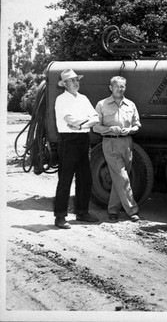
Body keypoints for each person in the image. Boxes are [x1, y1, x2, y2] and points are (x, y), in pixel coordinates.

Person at [53, 69, 100, 229]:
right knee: (65, 179)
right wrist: (84, 122)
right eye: (71, 81)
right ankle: (60, 217)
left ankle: (82, 212)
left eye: (76, 80)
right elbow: (69, 121)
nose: (75, 83)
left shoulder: (84, 98)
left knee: (85, 178)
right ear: (64, 84)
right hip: (68, 140)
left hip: (83, 139)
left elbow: (95, 117)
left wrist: (81, 124)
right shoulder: (61, 100)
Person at [93, 76, 141, 222]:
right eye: (117, 86)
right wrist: (108, 129)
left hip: (127, 143)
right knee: (122, 177)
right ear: (110, 88)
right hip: (110, 143)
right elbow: (95, 126)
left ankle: (113, 210)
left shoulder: (131, 105)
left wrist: (131, 130)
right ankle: (132, 210)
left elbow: (137, 125)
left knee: (117, 179)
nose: (120, 89)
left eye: (123, 86)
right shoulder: (102, 105)